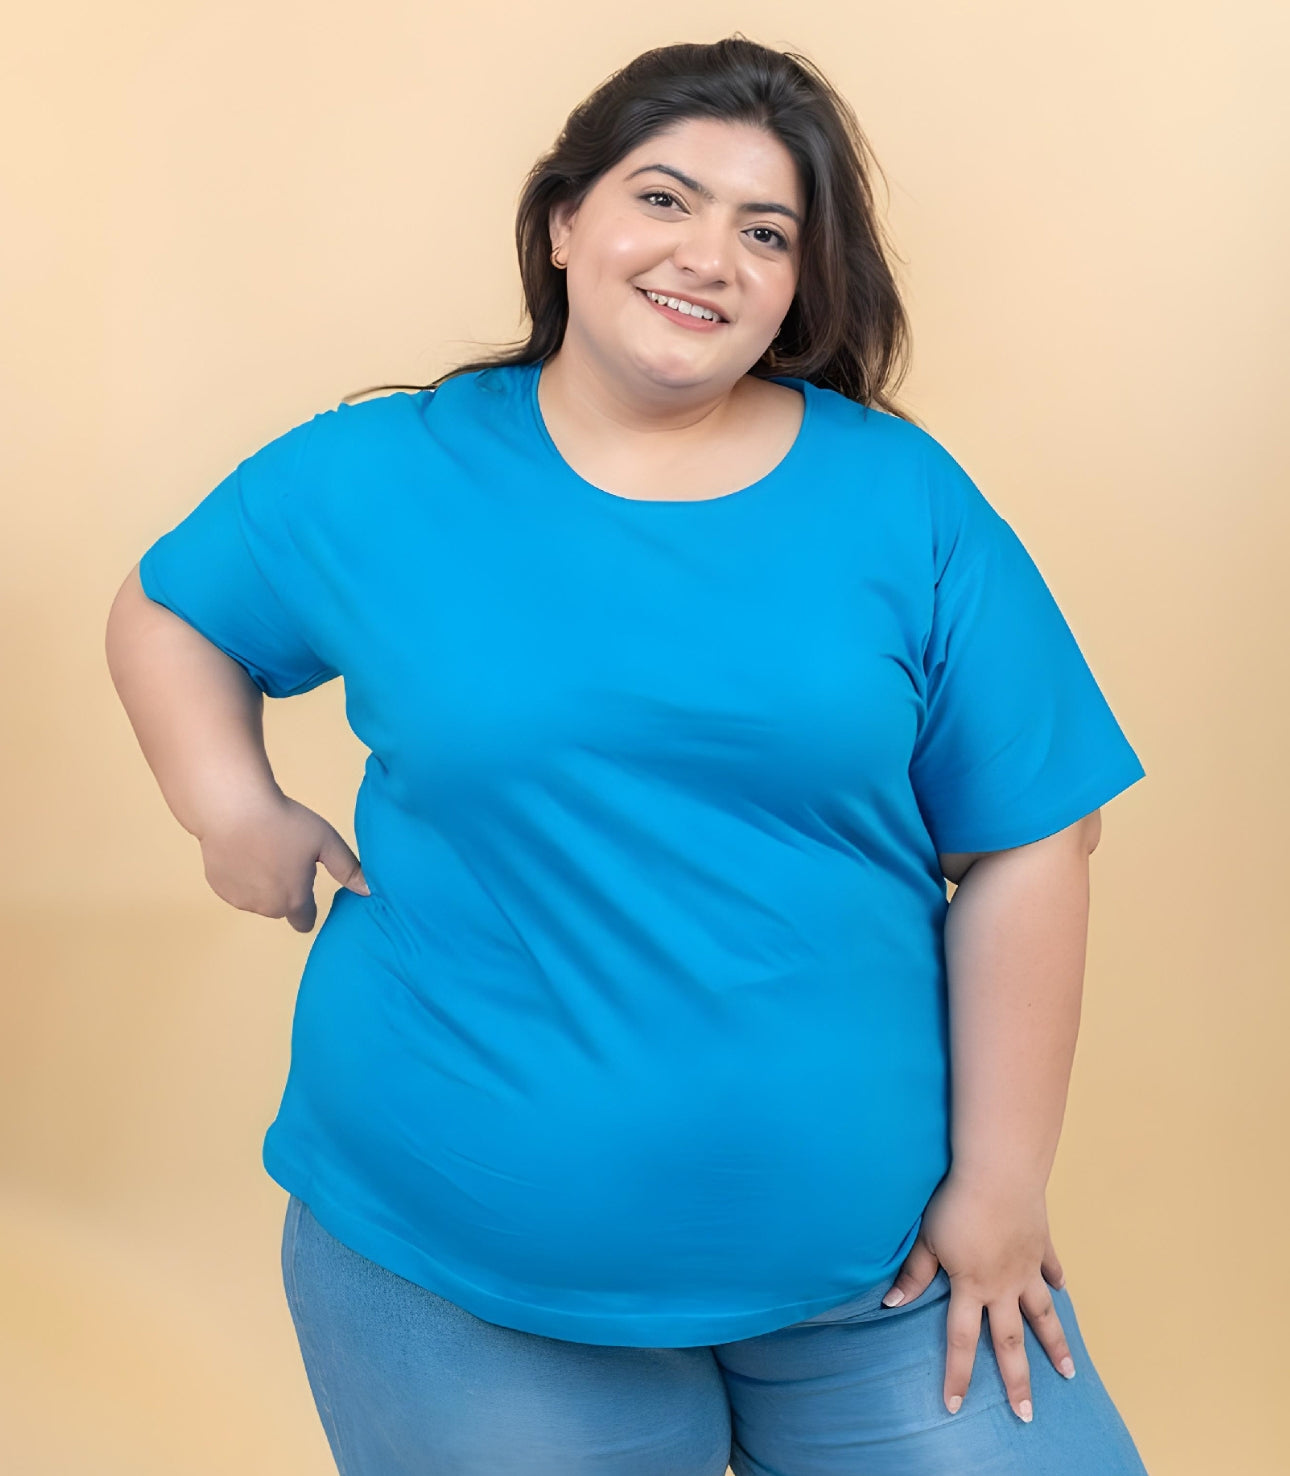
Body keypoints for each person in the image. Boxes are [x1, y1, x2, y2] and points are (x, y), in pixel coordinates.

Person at [105, 34, 1152, 1476]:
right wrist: (229, 807)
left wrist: (999, 1187)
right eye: (664, 198)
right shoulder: (383, 472)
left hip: (884, 1266)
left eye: (766, 232)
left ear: (798, 285)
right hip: (460, 1262)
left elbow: (1032, 837)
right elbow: (171, 610)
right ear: (562, 222)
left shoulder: (898, 495)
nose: (708, 256)